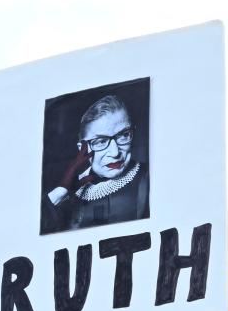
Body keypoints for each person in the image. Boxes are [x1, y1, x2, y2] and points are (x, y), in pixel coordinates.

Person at [42, 94, 149, 233]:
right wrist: (60, 192)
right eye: (101, 141)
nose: (115, 152)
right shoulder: (69, 193)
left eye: (124, 135)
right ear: (82, 149)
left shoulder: (149, 176)